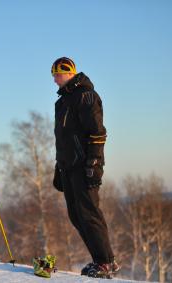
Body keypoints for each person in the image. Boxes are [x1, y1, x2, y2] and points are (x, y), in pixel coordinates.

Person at [51, 57, 120, 278]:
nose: (55, 80)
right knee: (76, 214)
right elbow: (63, 139)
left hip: (84, 166)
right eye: (53, 76)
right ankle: (99, 260)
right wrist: (58, 167)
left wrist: (94, 164)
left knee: (89, 213)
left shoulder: (86, 96)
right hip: (68, 166)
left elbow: (97, 133)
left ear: (69, 72)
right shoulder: (62, 102)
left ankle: (106, 263)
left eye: (57, 75)